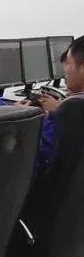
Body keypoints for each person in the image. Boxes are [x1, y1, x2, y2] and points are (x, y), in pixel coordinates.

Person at [33, 38, 84, 167]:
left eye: (68, 63)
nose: (65, 70)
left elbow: (48, 148)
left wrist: (33, 119)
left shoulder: (73, 107)